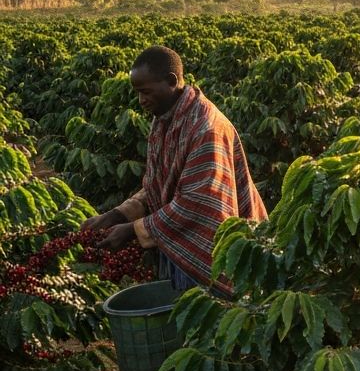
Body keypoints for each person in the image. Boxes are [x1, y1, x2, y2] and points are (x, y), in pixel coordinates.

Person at [84, 45, 267, 294]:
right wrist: (119, 214)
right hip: (177, 242)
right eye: (137, 93)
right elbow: (160, 183)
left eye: (146, 92)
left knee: (208, 313)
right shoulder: (166, 119)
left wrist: (134, 230)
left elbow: (198, 202)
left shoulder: (205, 128)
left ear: (171, 81)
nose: (141, 100)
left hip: (214, 252)